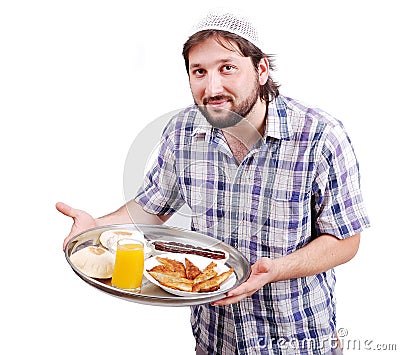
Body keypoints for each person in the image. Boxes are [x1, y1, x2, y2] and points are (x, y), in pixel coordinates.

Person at [57, 10, 370, 355]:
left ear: (261, 69)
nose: (212, 87)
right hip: (215, 339)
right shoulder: (182, 131)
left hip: (296, 339)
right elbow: (151, 209)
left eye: (227, 68)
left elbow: (345, 241)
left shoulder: (321, 136)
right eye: (199, 72)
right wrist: (95, 227)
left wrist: (275, 270)